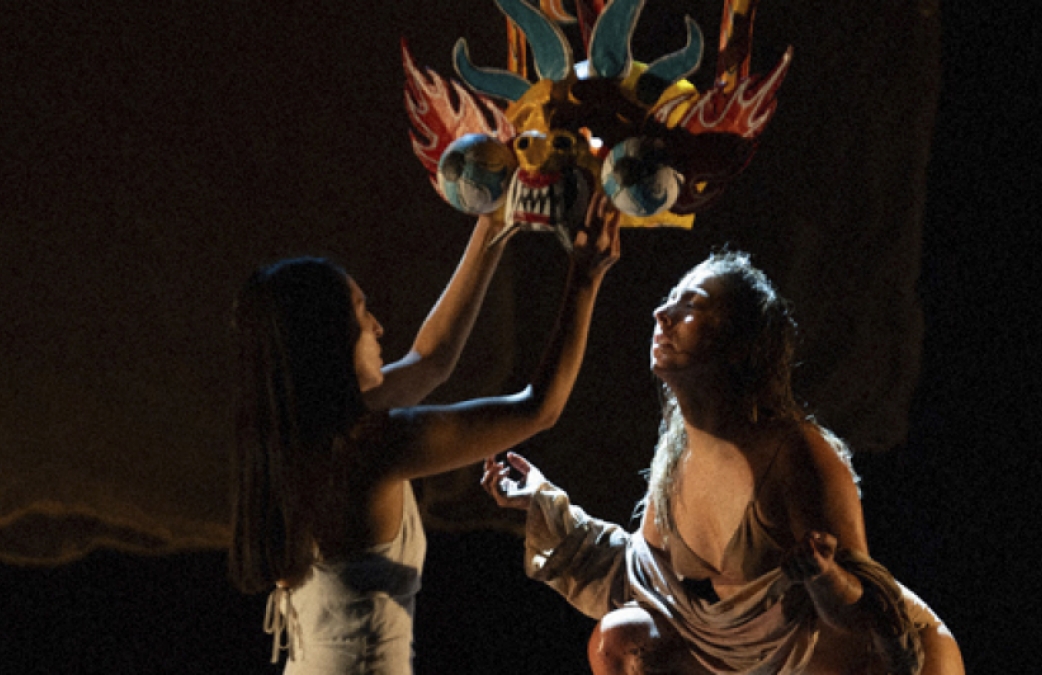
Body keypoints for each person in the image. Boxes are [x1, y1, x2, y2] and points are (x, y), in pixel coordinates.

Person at [482, 250, 965, 674]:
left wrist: (824, 577)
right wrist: (539, 500)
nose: (661, 314)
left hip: (874, 660)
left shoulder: (795, 454)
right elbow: (639, 573)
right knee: (620, 641)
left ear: (738, 343)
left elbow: (871, 617)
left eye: (690, 306)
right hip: (748, 660)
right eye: (669, 301)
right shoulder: (678, 450)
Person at [229, 192, 620, 673]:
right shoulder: (370, 447)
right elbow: (539, 409)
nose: (378, 327)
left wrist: (493, 224)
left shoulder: (298, 435)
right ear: (330, 341)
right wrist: (585, 277)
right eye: (361, 313)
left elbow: (431, 360)